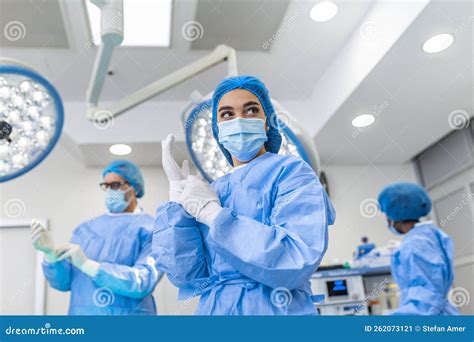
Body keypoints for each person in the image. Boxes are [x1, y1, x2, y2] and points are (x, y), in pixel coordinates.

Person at [153, 75, 335, 315]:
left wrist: (214, 215)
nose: (238, 120)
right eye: (227, 114)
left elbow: (295, 260)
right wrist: (178, 206)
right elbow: (187, 276)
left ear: (267, 122)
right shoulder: (212, 191)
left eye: (250, 110)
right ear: (217, 130)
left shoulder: (292, 173)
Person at [31, 160, 160, 315]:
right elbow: (63, 283)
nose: (110, 191)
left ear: (134, 187)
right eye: (106, 186)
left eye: (116, 185)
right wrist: (51, 255)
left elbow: (143, 282)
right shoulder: (85, 229)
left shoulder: (151, 229)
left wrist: (88, 265)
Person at [378, 182, 459, 315]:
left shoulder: (415, 244)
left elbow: (426, 301)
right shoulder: (431, 234)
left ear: (393, 215)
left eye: (386, 214)